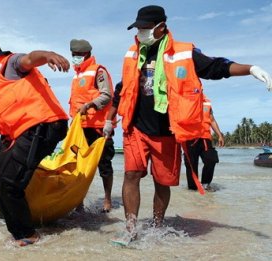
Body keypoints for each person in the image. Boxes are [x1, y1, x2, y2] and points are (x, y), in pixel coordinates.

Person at [110, 5, 272, 246]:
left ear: (161, 27)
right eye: (139, 28)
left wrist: (250, 69)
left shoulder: (185, 53)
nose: (140, 32)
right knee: (131, 175)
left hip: (167, 131)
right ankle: (130, 230)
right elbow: (122, 88)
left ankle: (157, 226)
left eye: (145, 28)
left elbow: (216, 67)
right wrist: (109, 119)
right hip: (136, 127)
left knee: (161, 183)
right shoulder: (133, 53)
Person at [0, 41, 69, 246]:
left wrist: (48, 54)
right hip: (26, 132)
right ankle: (11, 223)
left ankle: (28, 234)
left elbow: (30, 59)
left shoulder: (11, 63)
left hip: (43, 126)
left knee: (9, 180)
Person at [68, 39, 116, 213]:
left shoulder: (98, 71)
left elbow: (107, 95)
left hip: (98, 127)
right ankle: (78, 201)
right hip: (80, 128)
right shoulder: (77, 75)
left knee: (104, 165)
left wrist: (89, 105)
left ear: (86, 54)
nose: (75, 58)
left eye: (78, 55)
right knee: (79, 166)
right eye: (73, 55)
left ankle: (108, 199)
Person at [183, 96, 224, 192]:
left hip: (205, 137)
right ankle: (193, 189)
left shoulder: (206, 102)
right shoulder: (184, 99)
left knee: (211, 159)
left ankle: (205, 184)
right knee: (191, 164)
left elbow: (212, 120)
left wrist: (219, 135)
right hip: (189, 137)